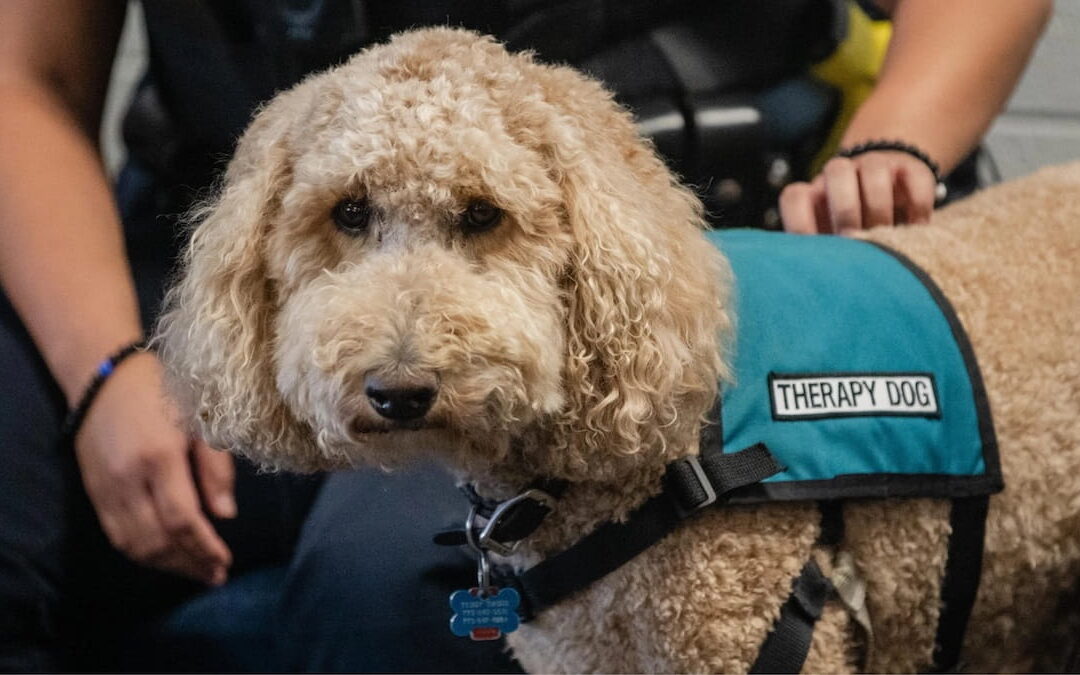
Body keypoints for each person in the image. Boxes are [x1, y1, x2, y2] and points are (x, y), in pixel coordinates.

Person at [0, 0, 1050, 671]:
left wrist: (901, 133)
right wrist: (105, 367)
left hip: (608, 271)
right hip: (247, 260)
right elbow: (26, 77)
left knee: (386, 598)